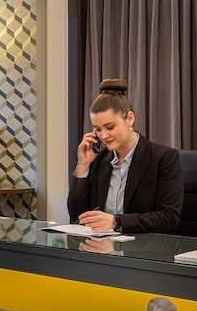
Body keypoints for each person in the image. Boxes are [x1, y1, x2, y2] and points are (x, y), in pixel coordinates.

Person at [68, 78, 183, 233]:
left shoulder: (163, 158)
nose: (104, 135)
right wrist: (83, 166)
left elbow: (169, 217)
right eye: (98, 129)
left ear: (130, 118)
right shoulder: (99, 159)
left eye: (110, 127)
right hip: (102, 244)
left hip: (145, 245)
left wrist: (116, 222)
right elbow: (77, 216)